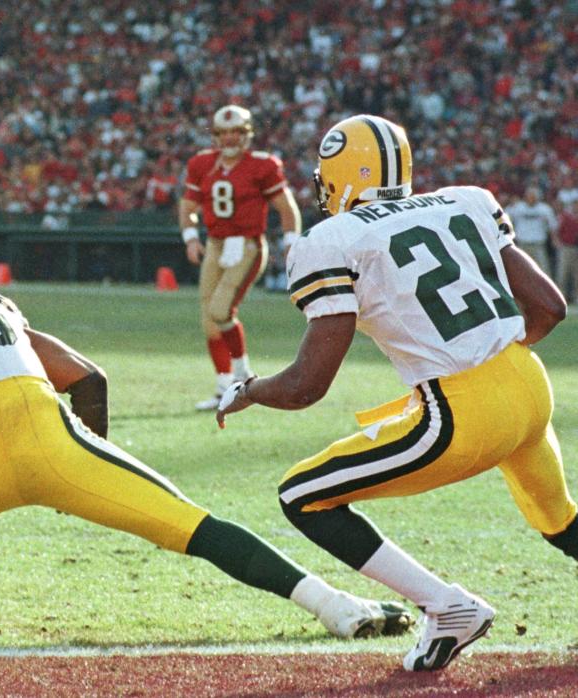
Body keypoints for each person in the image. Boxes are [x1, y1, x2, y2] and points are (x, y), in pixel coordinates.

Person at [0, 287, 414, 641]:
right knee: (190, 524)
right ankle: (333, 607)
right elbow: (88, 378)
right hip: (36, 422)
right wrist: (84, 463)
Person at [216, 114, 576, 672]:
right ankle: (449, 609)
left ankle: (447, 606)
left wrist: (250, 389)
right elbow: (551, 306)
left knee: (302, 495)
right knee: (561, 521)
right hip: (530, 383)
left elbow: (307, 386)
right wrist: (494, 353)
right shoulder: (466, 201)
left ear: (341, 173)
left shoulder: (334, 238)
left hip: (462, 412)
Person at [179, 105, 302, 410]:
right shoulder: (202, 163)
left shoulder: (262, 165)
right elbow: (187, 207)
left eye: (237, 132)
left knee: (221, 310)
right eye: (223, 133)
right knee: (209, 320)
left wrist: (291, 243)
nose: (230, 138)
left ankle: (243, 375)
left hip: (247, 245)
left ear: (247, 134)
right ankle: (224, 386)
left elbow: (286, 208)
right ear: (216, 135)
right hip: (216, 244)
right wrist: (191, 238)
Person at [505, 186, 558, 276]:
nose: (531, 198)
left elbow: (552, 225)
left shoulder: (544, 209)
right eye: (529, 196)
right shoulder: (518, 207)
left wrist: (554, 238)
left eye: (533, 196)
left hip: (538, 245)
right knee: (520, 270)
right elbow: (504, 218)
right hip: (522, 244)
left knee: (543, 271)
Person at [553, 198, 578, 305]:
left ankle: (576, 296)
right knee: (562, 273)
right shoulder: (564, 217)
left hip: (576, 247)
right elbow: (555, 230)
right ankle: (561, 296)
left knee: (576, 274)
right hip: (566, 247)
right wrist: (557, 243)